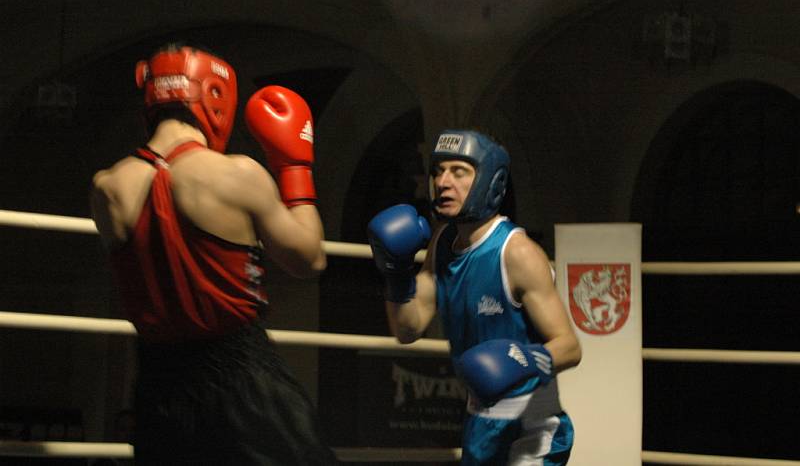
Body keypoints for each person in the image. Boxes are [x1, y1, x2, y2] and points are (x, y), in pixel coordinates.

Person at [90, 43, 337, 465]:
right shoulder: (236, 174)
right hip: (240, 378)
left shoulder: (107, 187)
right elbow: (308, 259)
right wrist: (295, 167)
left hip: (156, 384)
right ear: (215, 96)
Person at [368, 129, 582, 465]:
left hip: (533, 425)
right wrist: (396, 274)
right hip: (479, 420)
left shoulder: (517, 253)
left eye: (459, 171)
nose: (442, 182)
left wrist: (521, 359)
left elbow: (569, 346)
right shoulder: (441, 245)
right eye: (438, 171)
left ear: (489, 181)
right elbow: (407, 329)